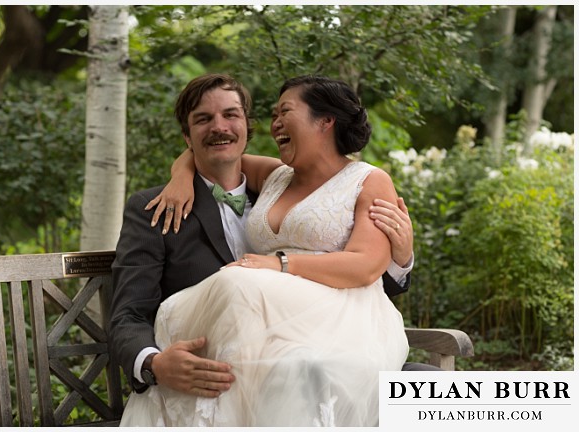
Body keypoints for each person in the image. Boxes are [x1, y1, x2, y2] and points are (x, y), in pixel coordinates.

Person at [109, 74, 410, 426]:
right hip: (213, 364)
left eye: (231, 115)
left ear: (247, 129)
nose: (219, 127)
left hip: (314, 346)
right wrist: (154, 364)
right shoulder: (162, 206)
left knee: (297, 364)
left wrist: (401, 258)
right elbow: (128, 315)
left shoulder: (277, 180)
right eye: (203, 119)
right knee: (239, 287)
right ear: (186, 137)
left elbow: (366, 273)